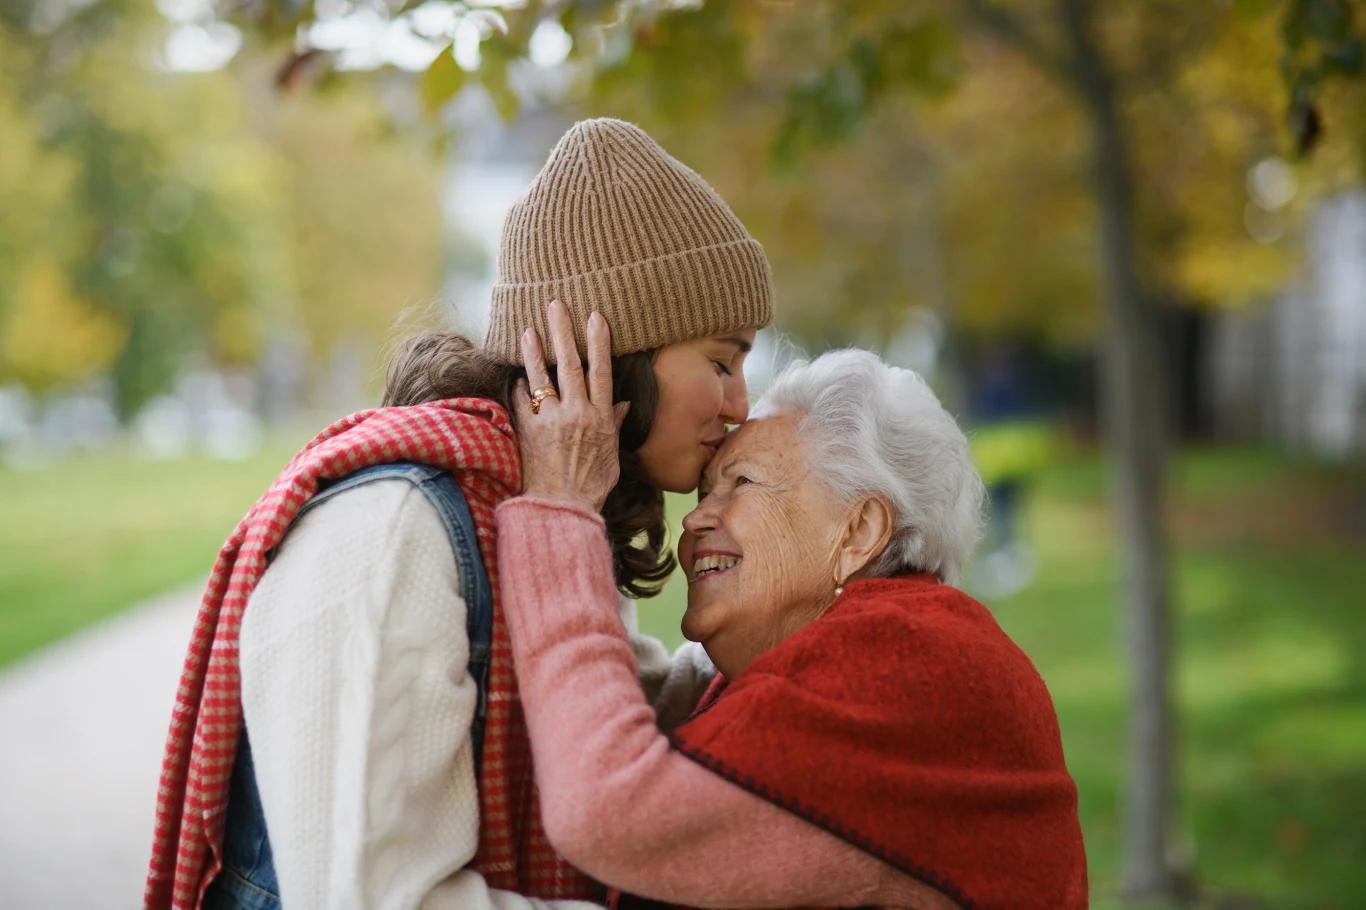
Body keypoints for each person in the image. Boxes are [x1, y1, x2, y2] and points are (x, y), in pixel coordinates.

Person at [143, 117, 775, 910]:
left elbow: (625, 702)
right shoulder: (395, 531)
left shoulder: (544, 509)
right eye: (722, 360)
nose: (739, 405)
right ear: (612, 353)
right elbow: (378, 900)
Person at [495, 344, 1090, 910]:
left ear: (857, 532)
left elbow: (606, 809)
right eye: (704, 491)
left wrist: (561, 514)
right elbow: (634, 714)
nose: (697, 518)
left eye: (742, 483)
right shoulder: (869, 650)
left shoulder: (909, 662)